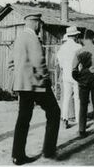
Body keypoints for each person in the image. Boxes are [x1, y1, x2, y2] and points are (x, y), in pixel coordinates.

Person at [10, 13, 60, 165]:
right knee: (54, 112)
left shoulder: (19, 38)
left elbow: (10, 63)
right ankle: (49, 151)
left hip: (22, 85)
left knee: (23, 119)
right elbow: (39, 61)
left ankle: (17, 156)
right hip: (36, 85)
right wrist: (46, 78)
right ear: (36, 23)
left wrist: (20, 76)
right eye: (40, 24)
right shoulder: (32, 38)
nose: (40, 27)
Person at [72, 29, 94, 137]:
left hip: (83, 80)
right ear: (93, 38)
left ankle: (82, 130)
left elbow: (73, 69)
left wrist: (79, 79)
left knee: (83, 105)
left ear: (84, 38)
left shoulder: (79, 52)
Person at [57, 26, 82, 129]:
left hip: (66, 74)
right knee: (77, 98)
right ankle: (78, 119)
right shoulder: (79, 47)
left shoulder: (62, 48)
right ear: (75, 35)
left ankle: (64, 119)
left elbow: (60, 63)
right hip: (76, 74)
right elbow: (82, 62)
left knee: (66, 97)